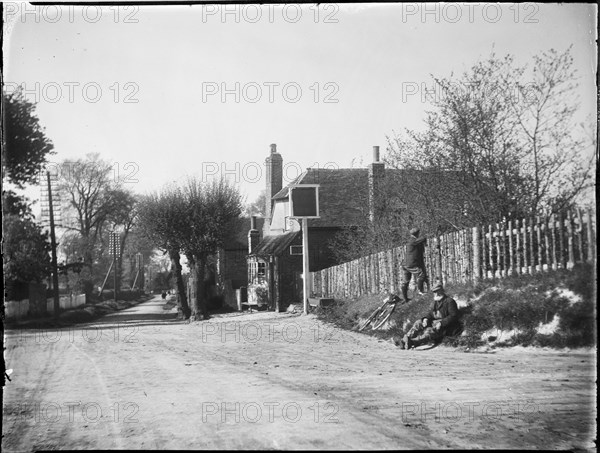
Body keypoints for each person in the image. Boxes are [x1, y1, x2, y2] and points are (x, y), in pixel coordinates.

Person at [399, 282, 460, 349]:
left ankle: (412, 342)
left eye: (437, 291)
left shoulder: (450, 301)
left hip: (445, 327)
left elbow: (454, 316)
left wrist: (442, 323)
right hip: (434, 322)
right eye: (434, 292)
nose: (436, 293)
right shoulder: (435, 302)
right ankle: (405, 340)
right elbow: (431, 314)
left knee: (429, 332)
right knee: (418, 323)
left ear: (442, 291)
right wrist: (426, 319)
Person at [400, 228, 428, 302]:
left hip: (405, 264)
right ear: (417, 233)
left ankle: (405, 299)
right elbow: (423, 238)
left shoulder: (412, 241)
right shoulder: (413, 240)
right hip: (411, 264)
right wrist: (425, 240)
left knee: (406, 281)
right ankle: (420, 292)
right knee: (421, 275)